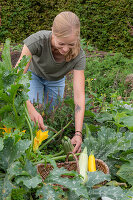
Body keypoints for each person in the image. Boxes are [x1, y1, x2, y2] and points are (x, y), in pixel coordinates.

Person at [15, 11, 86, 153]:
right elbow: (15, 80)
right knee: (34, 113)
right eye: (61, 43)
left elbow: (79, 97)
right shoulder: (36, 41)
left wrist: (78, 133)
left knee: (50, 117)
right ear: (53, 32)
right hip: (33, 76)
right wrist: (30, 109)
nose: (65, 49)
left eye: (71, 44)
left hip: (56, 80)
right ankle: (29, 149)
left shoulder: (79, 56)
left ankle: (46, 149)